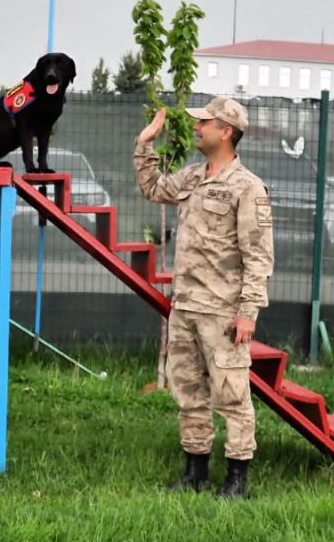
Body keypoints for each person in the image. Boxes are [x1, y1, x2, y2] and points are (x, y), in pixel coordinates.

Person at [133, 97, 274, 499]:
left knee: (232, 396)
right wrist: (145, 145)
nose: (197, 127)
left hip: (223, 313)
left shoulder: (248, 188)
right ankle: (195, 471)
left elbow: (259, 255)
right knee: (189, 393)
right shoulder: (193, 177)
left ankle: (236, 480)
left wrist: (248, 312)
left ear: (226, 131)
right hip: (186, 308)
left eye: (204, 122)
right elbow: (153, 188)